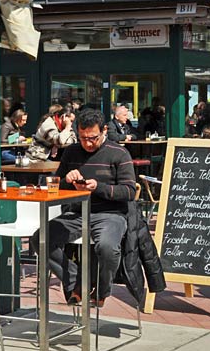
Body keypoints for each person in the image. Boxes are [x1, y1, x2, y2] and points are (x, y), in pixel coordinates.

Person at [33, 108, 138, 307]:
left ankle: (101, 289)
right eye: (82, 138)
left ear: (104, 130)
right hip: (77, 212)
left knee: (107, 248)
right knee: (41, 239)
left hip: (110, 214)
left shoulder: (119, 153)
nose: (88, 143)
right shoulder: (72, 151)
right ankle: (76, 281)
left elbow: (130, 192)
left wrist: (99, 187)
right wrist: (66, 180)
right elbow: (57, 186)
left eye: (93, 138)